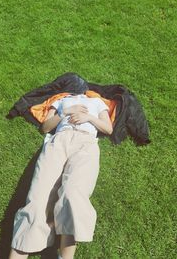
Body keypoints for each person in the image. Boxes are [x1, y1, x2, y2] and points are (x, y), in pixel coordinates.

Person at [9, 91, 113, 259]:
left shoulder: (97, 102)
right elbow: (45, 127)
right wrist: (65, 111)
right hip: (58, 141)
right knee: (37, 198)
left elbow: (108, 128)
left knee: (73, 195)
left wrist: (89, 119)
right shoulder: (61, 101)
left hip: (85, 143)